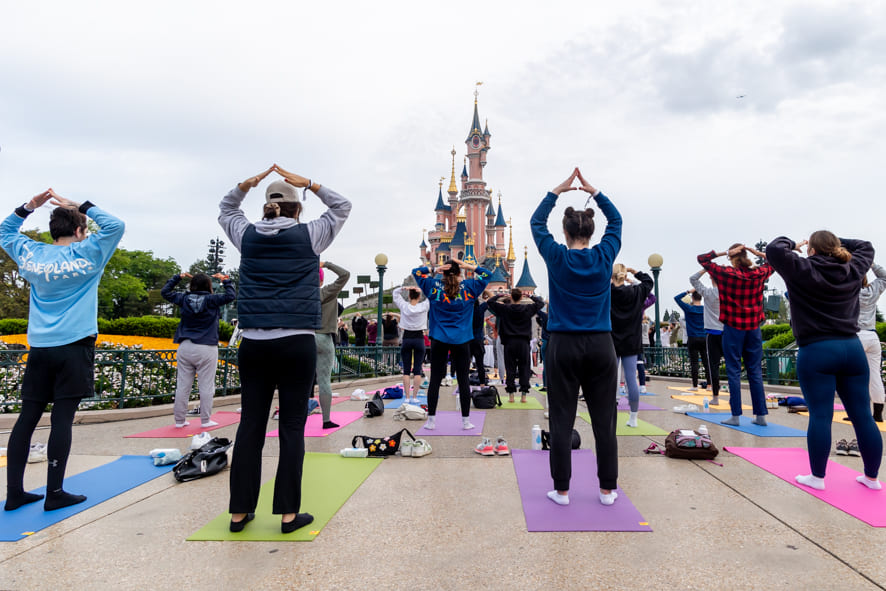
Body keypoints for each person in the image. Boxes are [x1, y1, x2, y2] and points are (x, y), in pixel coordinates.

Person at [218, 164, 350, 533]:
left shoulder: (246, 235)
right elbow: (342, 206)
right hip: (296, 343)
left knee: (251, 426)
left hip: (254, 344)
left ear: (266, 206)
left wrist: (246, 184)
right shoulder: (311, 236)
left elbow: (227, 209)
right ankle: (289, 514)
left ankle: (239, 512)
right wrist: (308, 183)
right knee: (292, 427)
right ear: (297, 207)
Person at [2, 188, 124, 511]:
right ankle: (54, 492)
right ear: (80, 231)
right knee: (62, 419)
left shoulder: (32, 255)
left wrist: (28, 207)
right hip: (74, 346)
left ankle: (14, 493)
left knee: (28, 417)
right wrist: (80, 204)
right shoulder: (89, 253)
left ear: (52, 230)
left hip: (40, 347)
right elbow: (116, 226)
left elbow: (4, 232)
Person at [531, 167, 621, 507]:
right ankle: (608, 490)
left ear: (566, 232)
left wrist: (556, 191)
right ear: (590, 231)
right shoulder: (604, 256)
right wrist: (595, 193)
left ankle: (563, 490)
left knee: (562, 415)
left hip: (563, 344)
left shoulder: (557, 257)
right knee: (604, 420)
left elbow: (537, 224)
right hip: (600, 344)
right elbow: (617, 224)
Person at [766, 232, 881, 491]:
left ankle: (817, 477)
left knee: (820, 415)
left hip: (816, 349)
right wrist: (837, 241)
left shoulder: (802, 268)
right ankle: (872, 478)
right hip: (852, 349)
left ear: (813, 251)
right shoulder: (852, 267)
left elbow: (774, 249)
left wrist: (794, 244)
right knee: (863, 416)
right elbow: (866, 246)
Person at [698, 243, 773, 426]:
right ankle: (761, 415)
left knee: (733, 371)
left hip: (733, 328)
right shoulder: (758, 274)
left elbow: (702, 259)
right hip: (754, 329)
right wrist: (758, 253)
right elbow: (773, 262)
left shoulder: (726, 274)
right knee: (754, 371)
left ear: (732, 258)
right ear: (747, 255)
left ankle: (736, 416)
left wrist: (723, 252)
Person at [412, 259, 490, 430]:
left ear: (444, 273)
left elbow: (416, 272)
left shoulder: (433, 286)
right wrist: (469, 266)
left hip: (439, 339)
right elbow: (488, 274)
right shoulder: (470, 287)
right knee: (463, 380)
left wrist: (434, 269)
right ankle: (466, 421)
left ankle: (431, 421)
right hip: (462, 340)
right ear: (460, 273)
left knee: (435, 380)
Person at [161, 271, 236, 428]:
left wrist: (177, 277)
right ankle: (205, 420)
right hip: (206, 346)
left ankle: (179, 421)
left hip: (185, 345)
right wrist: (226, 280)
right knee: (206, 385)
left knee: (183, 385)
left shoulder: (183, 299)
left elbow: (165, 292)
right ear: (208, 286)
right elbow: (230, 296)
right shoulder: (211, 300)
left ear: (192, 285)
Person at [610, 265, 654, 427]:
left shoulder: (607, 292)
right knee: (631, 379)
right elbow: (649, 281)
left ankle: (609, 414)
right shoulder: (636, 292)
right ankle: (633, 417)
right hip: (631, 341)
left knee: (610, 378)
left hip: (611, 340)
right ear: (623, 275)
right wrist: (634, 272)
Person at [486, 289, 546, 403]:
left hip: (509, 342)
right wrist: (530, 295)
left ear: (511, 297)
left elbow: (490, 302)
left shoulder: (504, 309)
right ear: (521, 298)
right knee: (524, 368)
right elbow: (540, 303)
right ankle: (523, 396)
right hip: (523, 342)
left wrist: (500, 295)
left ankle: (511, 396)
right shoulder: (527, 309)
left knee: (510, 368)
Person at [316, 262, 350, 429]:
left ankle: (295, 418)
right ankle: (326, 420)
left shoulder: (300, 293)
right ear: (321, 280)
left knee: (298, 381)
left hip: (302, 338)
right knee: (324, 381)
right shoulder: (327, 292)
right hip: (323, 337)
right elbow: (345, 274)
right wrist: (327, 264)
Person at [690, 269, 724, 404]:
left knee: (713, 366)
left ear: (711, 278)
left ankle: (715, 397)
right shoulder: (727, 292)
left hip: (712, 332)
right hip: (727, 332)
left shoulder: (708, 293)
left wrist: (705, 269)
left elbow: (693, 279)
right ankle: (734, 395)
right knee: (733, 365)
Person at [858, 263, 886, 422]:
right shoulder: (872, 291)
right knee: (875, 375)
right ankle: (878, 413)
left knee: (853, 377)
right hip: (872, 336)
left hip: (855, 336)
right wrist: (871, 263)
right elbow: (884, 277)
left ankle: (857, 411)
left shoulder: (848, 292)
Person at [393, 285, 430, 403]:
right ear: (419, 297)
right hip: (419, 337)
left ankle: (407, 397)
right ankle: (415, 397)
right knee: (418, 369)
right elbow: (433, 295)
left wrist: (404, 288)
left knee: (406, 370)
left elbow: (395, 294)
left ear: (409, 296)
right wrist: (423, 289)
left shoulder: (404, 306)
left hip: (407, 337)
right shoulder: (424, 306)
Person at [674, 288, 710, 392]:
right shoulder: (706, 309)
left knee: (694, 363)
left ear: (692, 298)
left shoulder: (688, 308)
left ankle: (695, 386)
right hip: (704, 337)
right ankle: (709, 385)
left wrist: (688, 291)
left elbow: (676, 298)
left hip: (692, 338)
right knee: (706, 362)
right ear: (701, 297)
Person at [469, 293, 491, 386]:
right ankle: (482, 384)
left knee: (465, 363)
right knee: (480, 364)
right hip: (478, 339)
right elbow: (491, 298)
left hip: (468, 339)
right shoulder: (480, 309)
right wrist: (485, 290)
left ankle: (463, 384)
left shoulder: (467, 311)